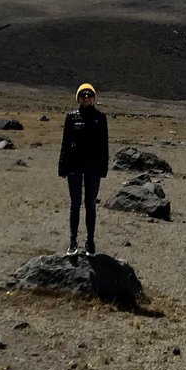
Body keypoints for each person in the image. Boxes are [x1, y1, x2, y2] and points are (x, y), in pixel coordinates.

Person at [58, 82, 109, 254]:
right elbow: (65, 143)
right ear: (78, 98)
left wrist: (104, 167)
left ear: (94, 98)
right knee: (75, 203)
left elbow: (104, 145)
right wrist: (62, 166)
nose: (86, 98)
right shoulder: (71, 117)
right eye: (83, 95)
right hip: (74, 165)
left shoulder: (100, 118)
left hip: (93, 167)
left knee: (90, 203)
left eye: (89, 95)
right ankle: (73, 241)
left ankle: (90, 241)